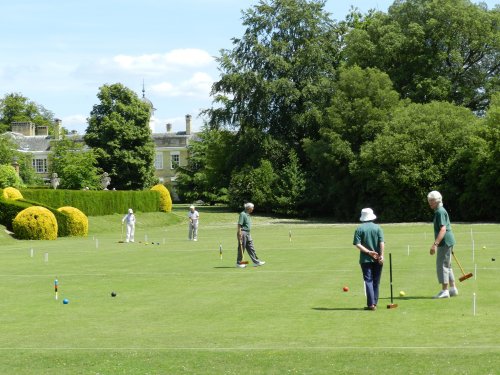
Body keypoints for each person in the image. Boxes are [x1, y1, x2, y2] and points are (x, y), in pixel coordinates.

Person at [427, 191, 458, 299]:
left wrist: (435, 244)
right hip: (448, 241)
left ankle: (445, 290)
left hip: (445, 241)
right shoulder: (439, 211)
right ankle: (453, 289)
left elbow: (443, 229)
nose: (429, 203)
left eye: (432, 201)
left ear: (438, 200)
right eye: (429, 200)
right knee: (448, 265)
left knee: (442, 265)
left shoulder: (440, 211)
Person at [353, 208, 384, 311]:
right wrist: (382, 255)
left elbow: (357, 244)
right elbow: (381, 243)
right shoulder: (378, 228)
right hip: (378, 258)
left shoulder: (359, 229)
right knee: (376, 281)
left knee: (368, 280)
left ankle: (371, 304)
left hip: (365, 259)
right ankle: (374, 303)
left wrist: (368, 252)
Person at [236, 202, 265, 268]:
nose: (253, 209)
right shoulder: (242, 214)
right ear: (248, 208)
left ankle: (256, 262)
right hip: (243, 232)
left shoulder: (248, 214)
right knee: (241, 248)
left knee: (251, 248)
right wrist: (239, 233)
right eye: (252, 207)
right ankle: (239, 263)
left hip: (248, 233)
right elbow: (239, 225)